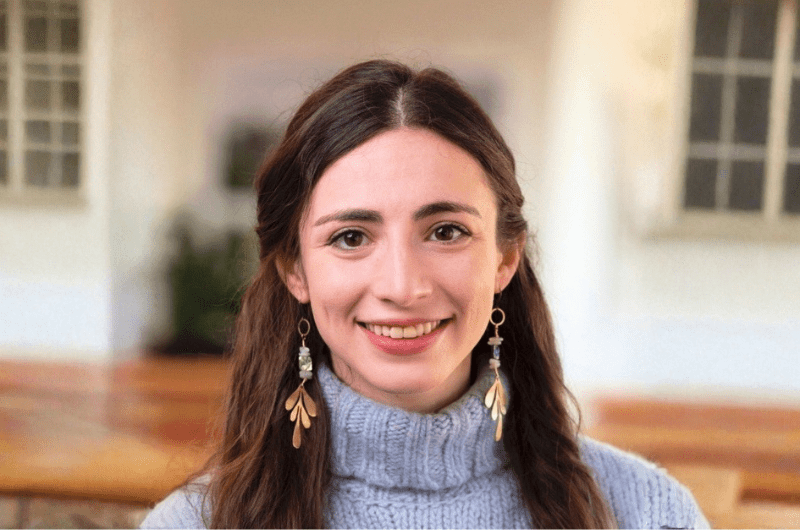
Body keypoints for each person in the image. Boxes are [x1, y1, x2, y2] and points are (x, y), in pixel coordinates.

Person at [141, 60, 708, 529]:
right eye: (351, 237)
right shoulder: (193, 525)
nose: (402, 287)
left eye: (445, 232)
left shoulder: (645, 514)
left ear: (506, 257)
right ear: (295, 269)